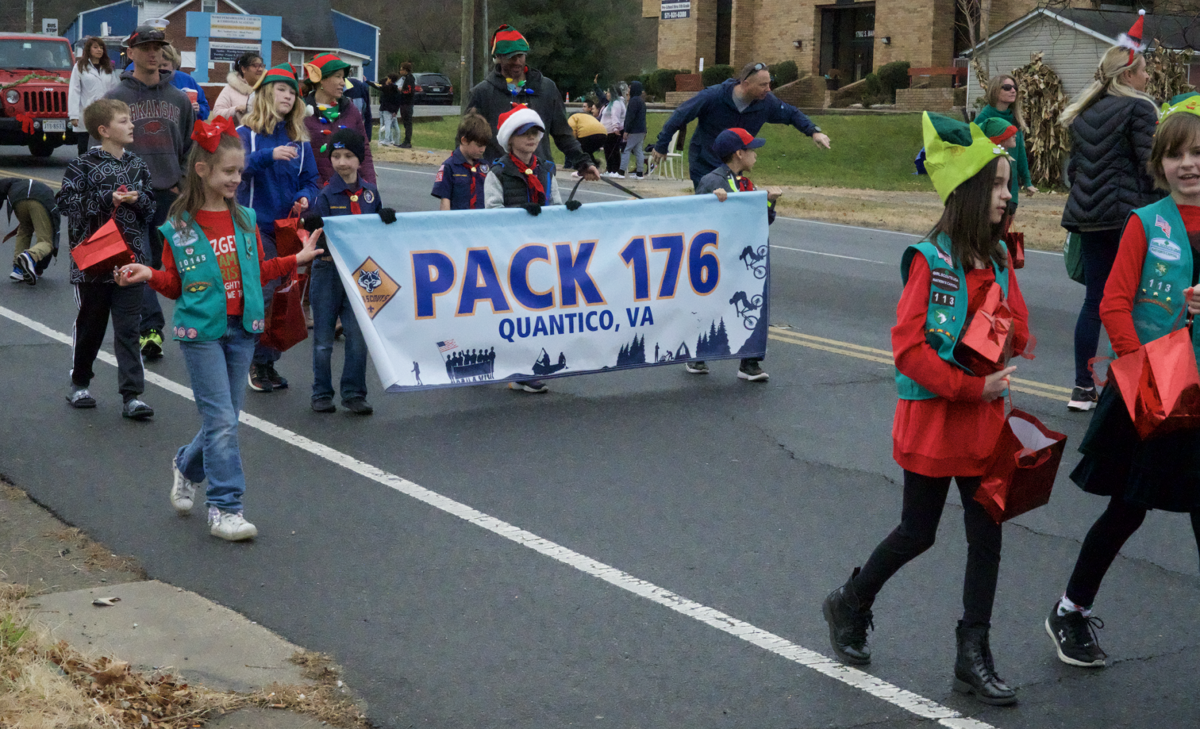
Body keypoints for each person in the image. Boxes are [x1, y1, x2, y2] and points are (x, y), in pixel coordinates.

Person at [821, 113, 1030, 706]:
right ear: (964, 193)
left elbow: (1014, 327)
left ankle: (973, 652)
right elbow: (908, 350)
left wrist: (1010, 337)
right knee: (919, 531)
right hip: (940, 419)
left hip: (985, 420)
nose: (1005, 195)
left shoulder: (997, 257)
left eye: (1007, 184)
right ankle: (851, 601)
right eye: (994, 185)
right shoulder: (930, 261)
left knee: (986, 534)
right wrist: (971, 388)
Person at [1045, 93, 1200, 669]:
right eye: (1176, 155)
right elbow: (1113, 304)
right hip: (1151, 390)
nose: (1189, 164)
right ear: (1158, 165)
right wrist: (1144, 367)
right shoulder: (1145, 222)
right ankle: (1070, 610)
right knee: (1127, 510)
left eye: (1199, 153)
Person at [115, 119, 325, 541]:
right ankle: (226, 508)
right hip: (202, 334)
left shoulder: (246, 219)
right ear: (203, 171)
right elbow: (176, 285)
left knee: (225, 419)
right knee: (222, 420)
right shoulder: (180, 226)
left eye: (240, 170)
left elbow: (258, 270)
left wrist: (295, 260)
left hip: (242, 330)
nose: (237, 178)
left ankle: (186, 465)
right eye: (229, 171)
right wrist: (149, 274)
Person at [1060, 14, 1160, 412]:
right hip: (1128, 219)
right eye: (1146, 71)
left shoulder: (1084, 113)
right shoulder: (1140, 110)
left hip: (1088, 219)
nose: (1150, 78)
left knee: (1095, 303)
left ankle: (1082, 387)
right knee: (1136, 303)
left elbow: (1074, 171)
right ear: (1130, 74)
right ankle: (1131, 385)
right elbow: (1151, 165)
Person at [56, 98, 156, 418]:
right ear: (104, 130)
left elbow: (151, 209)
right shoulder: (82, 164)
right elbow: (66, 203)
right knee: (92, 325)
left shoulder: (137, 165)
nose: (131, 125)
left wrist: (138, 199)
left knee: (128, 328)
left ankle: (132, 396)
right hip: (94, 262)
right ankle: (80, 384)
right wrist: (105, 198)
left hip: (130, 259)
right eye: (124, 121)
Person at [106, 22, 195, 360]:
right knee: (139, 258)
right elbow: (101, 149)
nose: (153, 52)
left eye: (158, 46)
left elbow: (189, 147)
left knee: (163, 266)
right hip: (129, 198)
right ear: (130, 53)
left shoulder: (178, 99)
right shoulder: (116, 99)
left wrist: (181, 184)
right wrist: (114, 187)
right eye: (145, 47)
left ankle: (145, 322)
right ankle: (151, 330)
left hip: (168, 196)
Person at [236, 63, 321, 393]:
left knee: (287, 298)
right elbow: (237, 168)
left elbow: (312, 180)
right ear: (266, 94)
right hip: (254, 228)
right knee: (266, 292)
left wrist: (304, 197)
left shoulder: (301, 139)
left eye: (293, 91)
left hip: (288, 229)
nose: (289, 96)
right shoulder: (247, 135)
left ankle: (267, 362)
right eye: (281, 89)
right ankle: (252, 360)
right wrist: (270, 155)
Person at [685, 128, 780, 382]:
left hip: (745, 259)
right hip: (718, 259)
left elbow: (762, 221)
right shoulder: (713, 181)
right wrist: (714, 202)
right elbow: (697, 219)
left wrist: (769, 201)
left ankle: (749, 361)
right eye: (752, 150)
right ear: (739, 153)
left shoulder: (748, 184)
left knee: (751, 308)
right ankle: (697, 353)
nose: (756, 155)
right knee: (712, 306)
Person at [484, 105, 564, 394]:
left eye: (535, 134)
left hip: (542, 252)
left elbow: (555, 206)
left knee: (541, 314)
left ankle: (531, 365)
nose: (531, 139)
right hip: (512, 253)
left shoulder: (546, 170)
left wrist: (569, 213)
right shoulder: (498, 172)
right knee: (517, 314)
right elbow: (492, 211)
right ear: (510, 140)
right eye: (524, 134)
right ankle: (519, 369)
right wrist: (521, 214)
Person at [652, 62, 831, 189]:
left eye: (769, 83)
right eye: (763, 85)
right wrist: (661, 145)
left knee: (732, 206)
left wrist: (814, 132)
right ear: (745, 84)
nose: (768, 89)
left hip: (735, 164)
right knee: (710, 205)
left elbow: (791, 114)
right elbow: (681, 114)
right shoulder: (713, 96)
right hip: (705, 161)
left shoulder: (766, 102)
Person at [310, 129, 386, 414]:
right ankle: (321, 392)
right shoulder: (326, 196)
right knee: (323, 340)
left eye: (349, 156)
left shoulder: (369, 194)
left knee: (357, 337)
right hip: (328, 273)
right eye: (336, 156)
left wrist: (385, 219)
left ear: (360, 159)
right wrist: (312, 226)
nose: (342, 162)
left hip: (359, 276)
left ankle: (354, 392)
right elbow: (318, 235)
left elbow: (377, 233)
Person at [466, 25, 599, 181]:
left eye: (520, 55)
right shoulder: (482, 93)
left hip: (541, 176)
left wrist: (583, 163)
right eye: (511, 57)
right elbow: (468, 138)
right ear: (498, 58)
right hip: (500, 179)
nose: (517, 61)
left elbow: (563, 134)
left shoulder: (547, 88)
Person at [301, 54, 377, 185]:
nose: (343, 82)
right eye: (338, 77)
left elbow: (364, 151)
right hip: (312, 192)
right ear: (321, 80)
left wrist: (371, 189)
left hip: (347, 191)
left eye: (343, 77)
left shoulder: (351, 110)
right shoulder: (301, 112)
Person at [974, 75, 1036, 212]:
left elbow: (1020, 154)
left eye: (1015, 88)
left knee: (1006, 229)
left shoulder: (1015, 119)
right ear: (995, 91)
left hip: (1011, 188)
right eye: (1007, 88)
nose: (1013, 90)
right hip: (989, 187)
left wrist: (1027, 182)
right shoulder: (984, 119)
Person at [2, 177, 60, 285]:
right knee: (46, 241)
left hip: (17, 198)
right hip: (39, 199)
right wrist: (39, 268)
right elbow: (55, 235)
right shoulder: (49, 196)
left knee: (25, 227)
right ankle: (30, 256)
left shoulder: (15, 183)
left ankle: (18, 269)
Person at [67, 37, 119, 155]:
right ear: (88, 49)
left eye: (101, 47)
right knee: (84, 149)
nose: (99, 50)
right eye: (95, 47)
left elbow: (114, 90)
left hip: (106, 114)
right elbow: (74, 90)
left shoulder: (108, 67)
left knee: (104, 148)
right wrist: (73, 114)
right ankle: (84, 172)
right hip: (86, 113)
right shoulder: (80, 66)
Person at [432, 110, 492, 210]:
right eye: (479, 145)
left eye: (485, 146)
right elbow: (445, 200)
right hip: (458, 222)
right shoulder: (449, 166)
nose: (482, 150)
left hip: (481, 221)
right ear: (464, 140)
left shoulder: (485, 166)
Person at [211, 51, 264, 123]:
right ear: (244, 69)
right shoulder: (230, 89)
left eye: (261, 66)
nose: (260, 69)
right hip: (238, 133)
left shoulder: (267, 88)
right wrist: (235, 110)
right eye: (255, 66)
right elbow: (216, 114)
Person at [161, 45, 209, 121]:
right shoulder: (147, 81)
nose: (161, 68)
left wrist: (199, 109)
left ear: (173, 64)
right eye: (158, 65)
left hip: (185, 129)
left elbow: (205, 109)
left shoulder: (187, 80)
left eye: (165, 65)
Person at [567, 97, 607, 171]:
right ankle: (594, 164)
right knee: (588, 151)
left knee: (581, 150)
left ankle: (582, 165)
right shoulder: (587, 116)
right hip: (603, 133)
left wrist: (574, 142)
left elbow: (572, 133)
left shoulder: (572, 118)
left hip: (588, 134)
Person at [619, 81, 647, 179]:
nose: (628, 90)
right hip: (641, 130)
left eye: (630, 88)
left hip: (634, 130)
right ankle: (640, 173)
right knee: (638, 151)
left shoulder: (633, 101)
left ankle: (621, 171)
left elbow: (630, 117)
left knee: (627, 149)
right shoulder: (641, 101)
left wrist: (626, 130)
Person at [600, 82, 626, 176]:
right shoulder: (611, 103)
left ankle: (614, 169)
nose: (607, 94)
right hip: (607, 131)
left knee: (612, 151)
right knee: (608, 150)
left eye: (608, 92)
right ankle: (610, 168)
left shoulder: (616, 103)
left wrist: (615, 127)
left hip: (613, 131)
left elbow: (615, 116)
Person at [372, 73, 402, 146]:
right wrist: (395, 110)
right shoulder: (395, 89)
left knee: (387, 125)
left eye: (388, 78)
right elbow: (398, 101)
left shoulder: (388, 89)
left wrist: (367, 82)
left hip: (387, 109)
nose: (387, 79)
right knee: (392, 125)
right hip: (390, 109)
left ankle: (386, 140)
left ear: (390, 79)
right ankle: (394, 140)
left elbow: (378, 86)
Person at [344, 75, 373, 142]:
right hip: (360, 95)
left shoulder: (349, 84)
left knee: (354, 119)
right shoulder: (356, 82)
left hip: (356, 96)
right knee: (361, 118)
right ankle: (365, 137)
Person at [396, 62, 416, 149]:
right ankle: (405, 141)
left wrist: (401, 91)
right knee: (405, 122)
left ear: (405, 70)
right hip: (403, 103)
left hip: (407, 103)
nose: (400, 71)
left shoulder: (410, 79)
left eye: (401, 69)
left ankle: (407, 141)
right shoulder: (404, 78)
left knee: (408, 123)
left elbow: (409, 91)